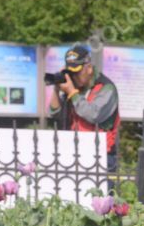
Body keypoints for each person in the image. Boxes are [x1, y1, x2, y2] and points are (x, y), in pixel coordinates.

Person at [48, 45, 120, 193]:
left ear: (88, 68)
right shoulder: (74, 88)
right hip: (74, 152)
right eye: (70, 73)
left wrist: (72, 93)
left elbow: (93, 114)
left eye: (77, 72)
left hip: (101, 155)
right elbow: (54, 112)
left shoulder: (106, 88)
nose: (73, 77)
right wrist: (56, 88)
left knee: (102, 203)